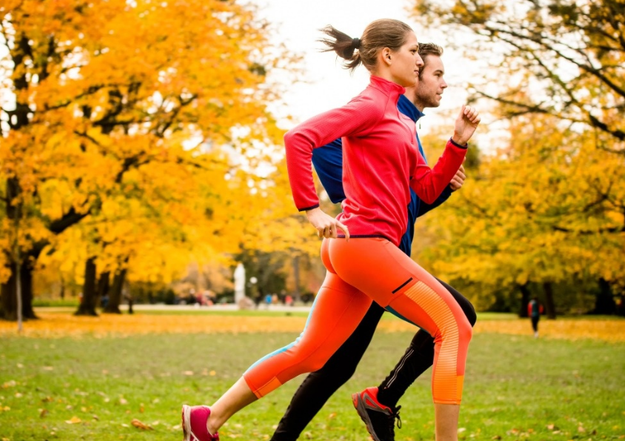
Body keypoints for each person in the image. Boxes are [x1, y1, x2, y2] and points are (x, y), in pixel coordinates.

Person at [181, 19, 480, 441]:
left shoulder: (400, 117)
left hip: (358, 249)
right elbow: (299, 139)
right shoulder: (371, 105)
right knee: (454, 326)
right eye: (414, 52)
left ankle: (206, 420)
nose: (419, 60)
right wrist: (312, 210)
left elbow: (426, 187)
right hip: (365, 245)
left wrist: (457, 144)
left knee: (312, 352)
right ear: (387, 56)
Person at [270, 42, 477, 441]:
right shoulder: (379, 111)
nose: (443, 82)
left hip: (388, 256)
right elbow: (317, 145)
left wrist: (443, 179)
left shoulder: (407, 125)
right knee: (455, 319)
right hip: (367, 253)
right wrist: (342, 200)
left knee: (336, 362)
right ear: (411, 72)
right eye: (433, 72)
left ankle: (378, 401)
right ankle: (379, 400)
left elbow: (408, 204)